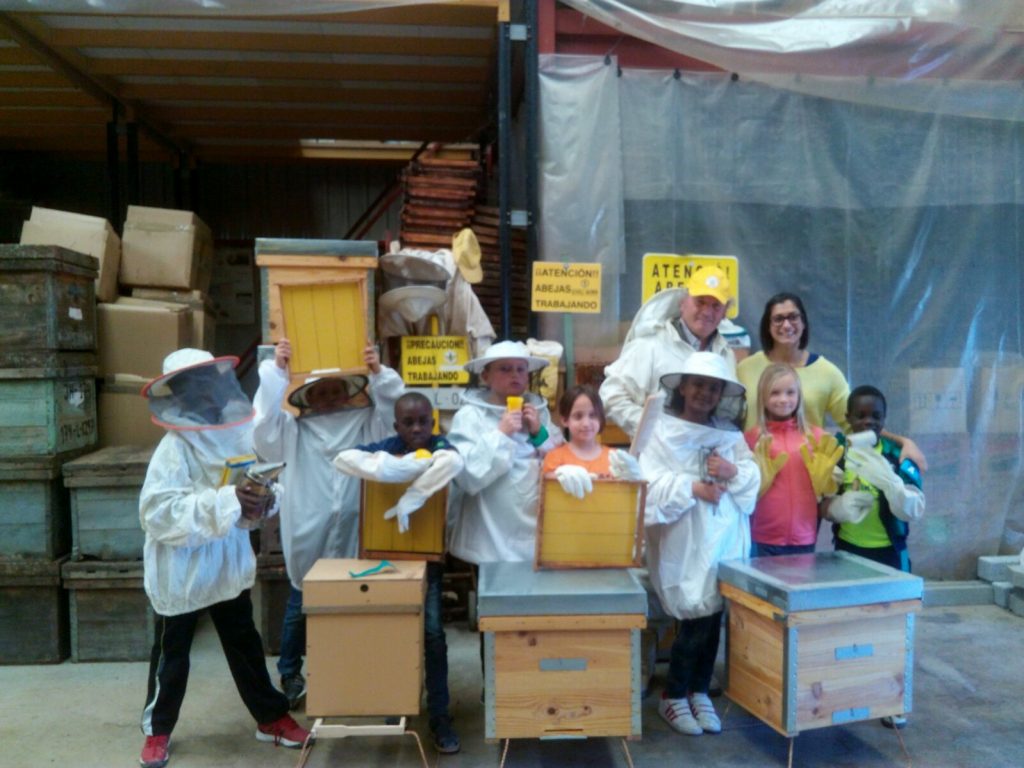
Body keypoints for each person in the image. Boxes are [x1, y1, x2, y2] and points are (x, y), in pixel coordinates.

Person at [138, 349, 308, 768]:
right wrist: (228, 500)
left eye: (208, 382)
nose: (205, 392)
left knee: (244, 643)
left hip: (226, 563)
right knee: (171, 653)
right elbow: (157, 513)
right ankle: (158, 730)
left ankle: (271, 716)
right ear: (177, 393)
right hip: (182, 568)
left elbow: (261, 478)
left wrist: (263, 500)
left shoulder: (238, 432)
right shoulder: (174, 447)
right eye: (193, 385)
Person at [252, 338, 402, 710]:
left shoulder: (365, 422)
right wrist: (275, 371)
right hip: (306, 528)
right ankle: (290, 672)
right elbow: (263, 430)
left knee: (351, 602)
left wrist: (379, 374)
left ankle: (346, 670)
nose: (330, 398)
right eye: (321, 392)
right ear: (309, 397)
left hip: (356, 528)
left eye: (336, 390)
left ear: (347, 392)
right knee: (302, 598)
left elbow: (393, 418)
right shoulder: (292, 429)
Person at [333, 391, 465, 754]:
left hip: (428, 565)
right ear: (396, 426)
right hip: (387, 563)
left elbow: (452, 462)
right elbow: (344, 458)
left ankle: (440, 716)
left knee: (433, 638)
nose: (417, 428)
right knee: (392, 634)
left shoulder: (440, 446)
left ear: (433, 423)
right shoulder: (388, 447)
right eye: (409, 422)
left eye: (423, 421)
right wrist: (391, 467)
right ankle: (394, 703)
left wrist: (415, 490)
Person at [639, 352, 759, 737]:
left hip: (725, 539)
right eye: (698, 385)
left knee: (713, 618)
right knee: (692, 618)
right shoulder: (660, 430)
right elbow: (646, 483)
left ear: (722, 394)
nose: (705, 393)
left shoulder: (730, 435)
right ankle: (674, 694)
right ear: (683, 387)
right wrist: (692, 487)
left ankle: (699, 690)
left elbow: (751, 481)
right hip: (684, 539)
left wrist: (732, 470)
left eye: (713, 387)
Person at [823, 384, 925, 730]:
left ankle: (893, 700)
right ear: (848, 418)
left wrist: (893, 485)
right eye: (861, 416)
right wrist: (836, 508)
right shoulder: (838, 451)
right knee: (850, 626)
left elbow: (916, 507)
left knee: (894, 629)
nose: (868, 422)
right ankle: (854, 690)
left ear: (885, 419)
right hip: (848, 554)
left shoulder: (897, 454)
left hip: (890, 558)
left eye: (876, 416)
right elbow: (821, 497)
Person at [737, 292, 927, 468]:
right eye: (778, 319)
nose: (786, 325)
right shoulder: (745, 369)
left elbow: (858, 423)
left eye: (793, 317)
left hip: (808, 474)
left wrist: (903, 442)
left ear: (804, 323)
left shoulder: (827, 373)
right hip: (755, 472)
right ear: (767, 325)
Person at [447, 340, 560, 564]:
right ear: (485, 376)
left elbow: (562, 461)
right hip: (487, 539)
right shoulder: (470, 416)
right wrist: (501, 434)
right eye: (505, 369)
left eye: (520, 369)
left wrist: (539, 433)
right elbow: (465, 476)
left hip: (533, 533)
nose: (515, 375)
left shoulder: (541, 413)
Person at [601, 265, 737, 439]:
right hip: (655, 455)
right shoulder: (649, 346)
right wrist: (652, 430)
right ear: (683, 303)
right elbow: (611, 395)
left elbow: (728, 411)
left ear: (724, 313)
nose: (707, 312)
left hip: (708, 454)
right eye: (700, 302)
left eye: (716, 306)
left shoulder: (726, 355)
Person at [744, 363, 843, 556]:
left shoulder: (817, 437)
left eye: (790, 392)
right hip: (762, 536)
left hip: (804, 534)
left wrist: (829, 483)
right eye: (775, 393)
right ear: (763, 397)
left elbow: (832, 484)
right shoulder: (752, 438)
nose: (783, 399)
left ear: (799, 396)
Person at [541, 385, 643, 498]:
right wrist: (556, 476)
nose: (586, 423)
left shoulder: (616, 458)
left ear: (600, 418)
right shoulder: (555, 458)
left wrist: (635, 482)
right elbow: (547, 495)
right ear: (565, 420)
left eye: (593, 415)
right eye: (578, 416)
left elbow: (629, 499)